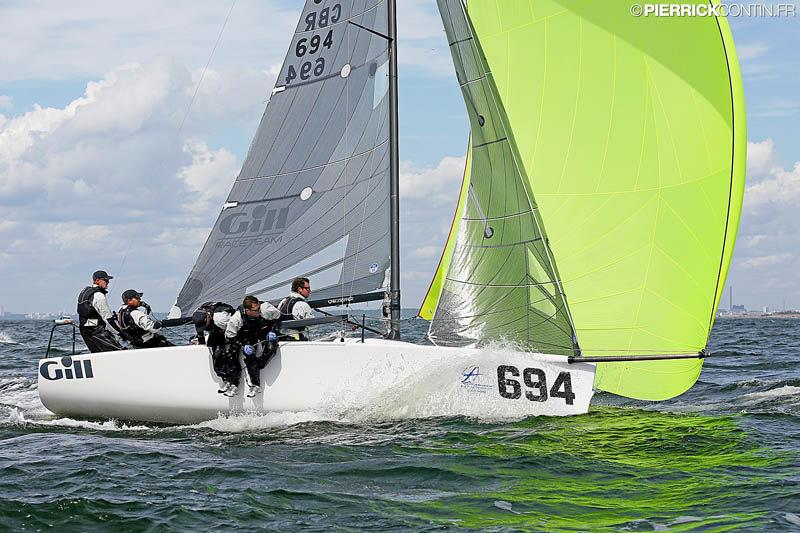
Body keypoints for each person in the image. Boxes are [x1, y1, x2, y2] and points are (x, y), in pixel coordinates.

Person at [224, 295, 280, 397]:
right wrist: (241, 346)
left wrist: (273, 331)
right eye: (255, 310)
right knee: (248, 353)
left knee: (271, 348)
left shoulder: (265, 308)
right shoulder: (236, 318)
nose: (258, 311)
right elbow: (230, 336)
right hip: (247, 336)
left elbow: (278, 318)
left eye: (259, 308)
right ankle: (254, 384)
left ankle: (257, 366)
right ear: (247, 310)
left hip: (264, 331)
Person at [191, 301, 239, 396]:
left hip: (230, 328)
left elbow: (236, 327)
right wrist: (200, 341)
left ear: (208, 317)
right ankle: (226, 380)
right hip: (216, 331)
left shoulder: (221, 318)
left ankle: (235, 383)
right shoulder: (197, 314)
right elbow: (200, 330)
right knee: (217, 356)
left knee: (229, 353)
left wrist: (233, 343)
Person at [76, 270, 125, 353]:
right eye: (105, 280)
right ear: (97, 281)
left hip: (84, 330)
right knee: (120, 352)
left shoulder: (86, 292)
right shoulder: (99, 296)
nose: (108, 282)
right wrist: (121, 333)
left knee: (97, 354)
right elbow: (108, 319)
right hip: (97, 331)